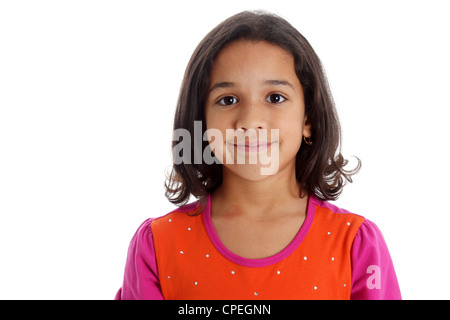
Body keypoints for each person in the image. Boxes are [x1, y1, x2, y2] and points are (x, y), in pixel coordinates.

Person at [115, 10, 401, 300]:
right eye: (228, 100)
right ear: (200, 123)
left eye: (275, 98)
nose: (251, 122)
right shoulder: (157, 246)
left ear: (308, 118)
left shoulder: (357, 246)